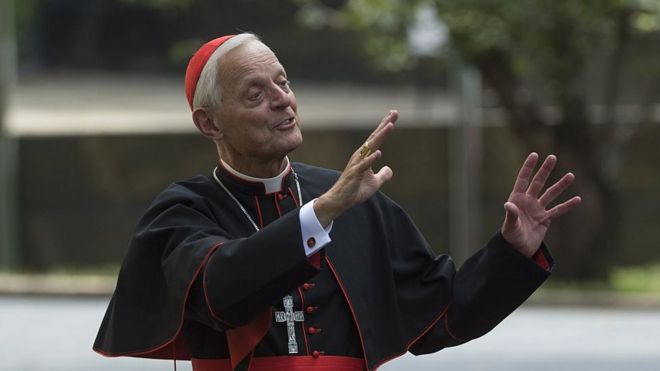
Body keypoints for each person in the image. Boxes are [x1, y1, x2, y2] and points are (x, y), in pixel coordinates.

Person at [93, 33, 581, 371]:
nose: (282, 100)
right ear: (210, 123)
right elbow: (222, 291)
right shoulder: (185, 212)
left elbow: (441, 316)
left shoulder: (353, 200)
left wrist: (512, 252)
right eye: (256, 93)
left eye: (283, 83)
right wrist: (322, 213)